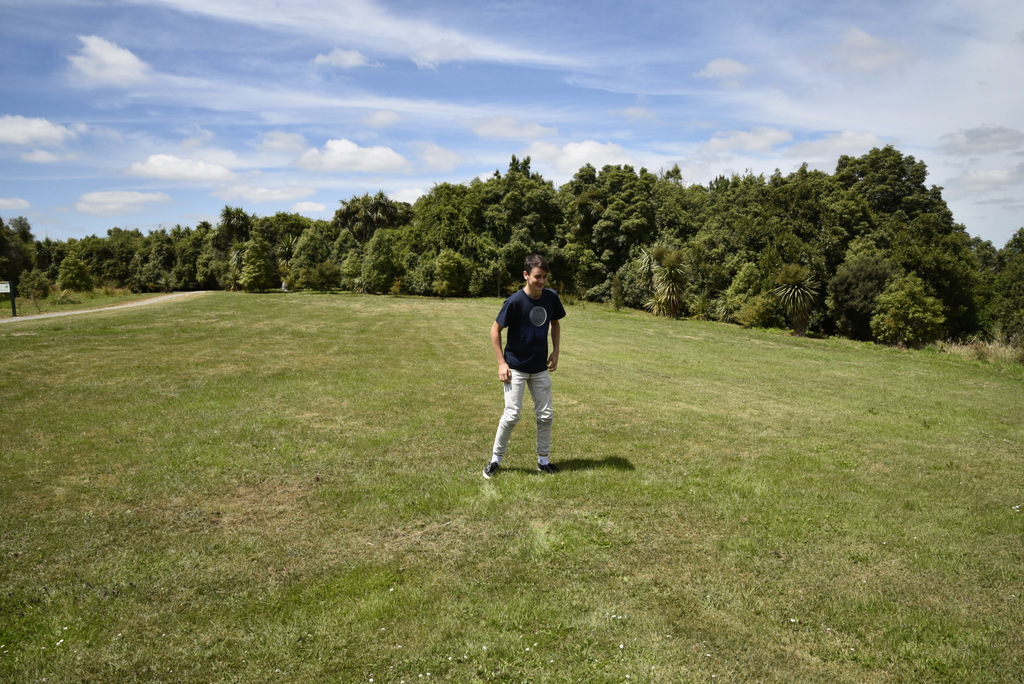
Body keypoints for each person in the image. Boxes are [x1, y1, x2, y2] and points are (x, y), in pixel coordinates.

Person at [484, 254, 566, 479]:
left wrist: (556, 351)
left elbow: (555, 323)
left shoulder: (551, 297)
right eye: (537, 276)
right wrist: (501, 363)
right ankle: (495, 460)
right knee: (512, 415)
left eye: (545, 277)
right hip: (515, 368)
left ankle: (543, 461)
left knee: (546, 416)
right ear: (526, 275)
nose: (542, 281)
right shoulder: (514, 302)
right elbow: (495, 330)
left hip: (539, 368)